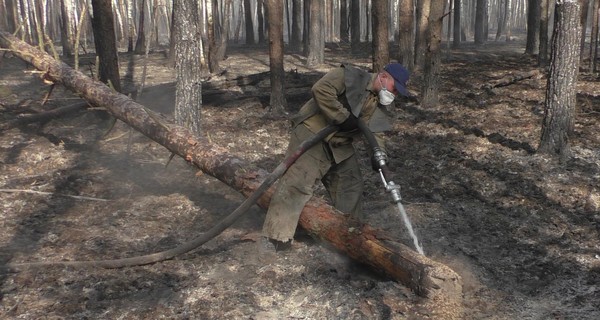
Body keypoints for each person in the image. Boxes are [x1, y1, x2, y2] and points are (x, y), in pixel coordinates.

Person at [260, 63, 410, 252]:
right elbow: (320, 89)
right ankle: (275, 239)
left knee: (351, 185)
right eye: (394, 88)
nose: (394, 94)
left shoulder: (379, 102)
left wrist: (378, 156)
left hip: (340, 143)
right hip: (312, 133)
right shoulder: (349, 76)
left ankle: (350, 238)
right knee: (296, 184)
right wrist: (342, 117)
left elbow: (375, 133)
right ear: (383, 76)